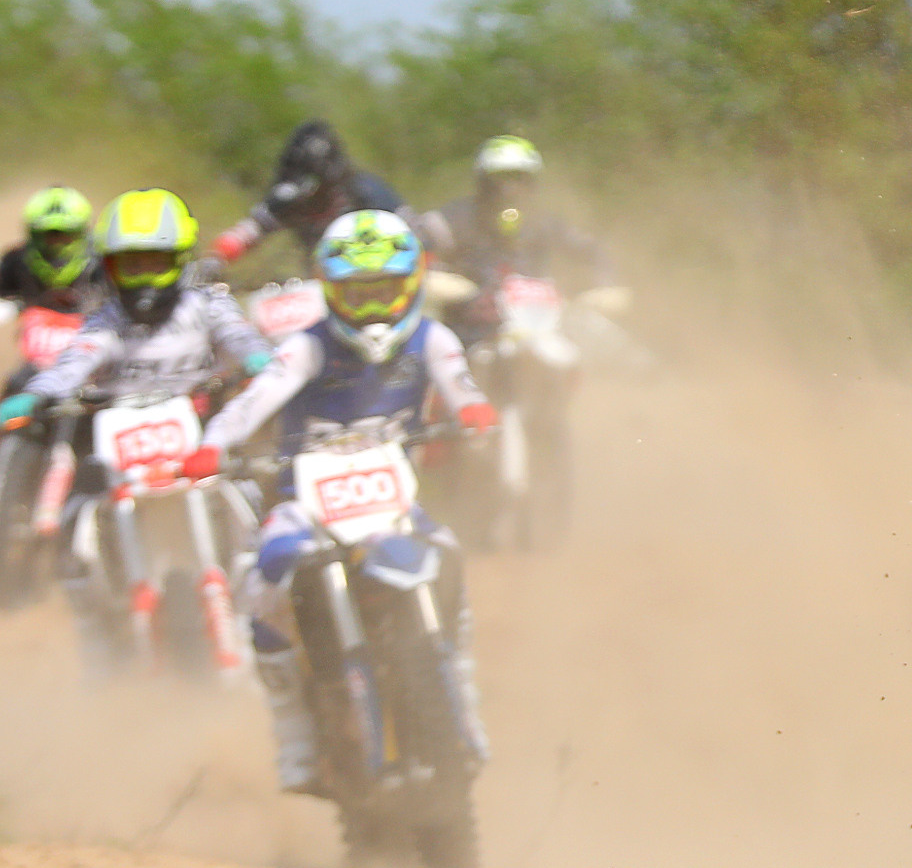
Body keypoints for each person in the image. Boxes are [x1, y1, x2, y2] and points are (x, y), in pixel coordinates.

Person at [182, 210, 498, 795]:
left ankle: (466, 720)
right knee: (264, 576)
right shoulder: (307, 347)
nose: (373, 306)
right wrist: (211, 445)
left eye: (384, 290)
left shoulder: (434, 337)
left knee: (449, 557)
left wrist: (475, 415)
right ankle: (296, 740)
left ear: (411, 284)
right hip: (306, 504)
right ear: (330, 291)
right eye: (358, 292)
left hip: (392, 503)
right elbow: (257, 399)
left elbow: (462, 386)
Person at [0, 191, 269, 671]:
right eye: (130, 264)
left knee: (255, 501)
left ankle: (263, 620)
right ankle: (98, 651)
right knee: (73, 524)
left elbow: (243, 338)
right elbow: (71, 363)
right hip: (117, 441)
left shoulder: (204, 306)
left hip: (195, 430)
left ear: (178, 260)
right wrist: (34, 396)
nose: (143, 276)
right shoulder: (106, 320)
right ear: (109, 266)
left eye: (155, 261)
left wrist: (259, 361)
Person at [417, 135, 616, 338]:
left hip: (542, 321)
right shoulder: (453, 220)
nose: (509, 189)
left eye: (518, 178)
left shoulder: (546, 222)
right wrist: (445, 283)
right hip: (469, 324)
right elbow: (415, 249)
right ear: (482, 182)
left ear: (532, 183)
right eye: (499, 179)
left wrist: (603, 285)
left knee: (605, 335)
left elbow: (592, 252)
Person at [208, 121, 404, 265]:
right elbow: (249, 231)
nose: (308, 198)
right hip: (319, 283)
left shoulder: (363, 192)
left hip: (376, 277)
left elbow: (411, 230)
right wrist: (215, 258)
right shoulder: (288, 200)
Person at [0, 187, 105, 382]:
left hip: (94, 361)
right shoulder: (16, 261)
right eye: (49, 236)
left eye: (65, 235)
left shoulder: (103, 264)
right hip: (36, 366)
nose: (56, 243)